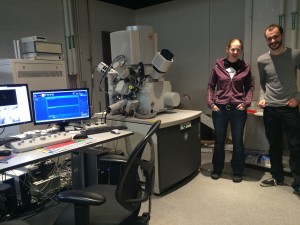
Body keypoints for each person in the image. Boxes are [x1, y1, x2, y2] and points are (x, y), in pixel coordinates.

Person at [257, 24, 300, 196]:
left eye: (275, 37)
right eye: (269, 38)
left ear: (282, 35)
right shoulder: (261, 60)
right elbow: (263, 82)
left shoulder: (295, 54)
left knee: (296, 147)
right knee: (274, 145)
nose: (273, 41)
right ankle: (277, 177)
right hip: (271, 110)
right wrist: (262, 96)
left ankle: (298, 183)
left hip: (290, 110)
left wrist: (298, 98)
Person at [207, 38, 254, 183]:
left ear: (241, 50)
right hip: (220, 109)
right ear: (227, 49)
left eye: (238, 49)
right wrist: (211, 103)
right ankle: (217, 168)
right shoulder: (218, 66)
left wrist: (246, 103)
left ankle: (238, 170)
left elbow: (250, 87)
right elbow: (210, 85)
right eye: (233, 49)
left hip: (238, 110)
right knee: (219, 140)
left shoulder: (245, 67)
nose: (235, 52)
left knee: (238, 141)